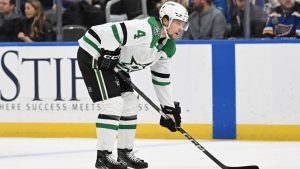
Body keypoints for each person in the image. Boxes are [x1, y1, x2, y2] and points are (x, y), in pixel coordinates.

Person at [77, 1, 187, 168]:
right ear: (165, 20)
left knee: (130, 102)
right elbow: (109, 32)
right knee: (113, 103)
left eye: (183, 24)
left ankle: (124, 153)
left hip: (114, 64)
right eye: (178, 23)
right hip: (94, 53)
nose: (181, 28)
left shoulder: (168, 46)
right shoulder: (146, 29)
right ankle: (103, 157)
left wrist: (168, 109)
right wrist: (109, 51)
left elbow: (161, 79)